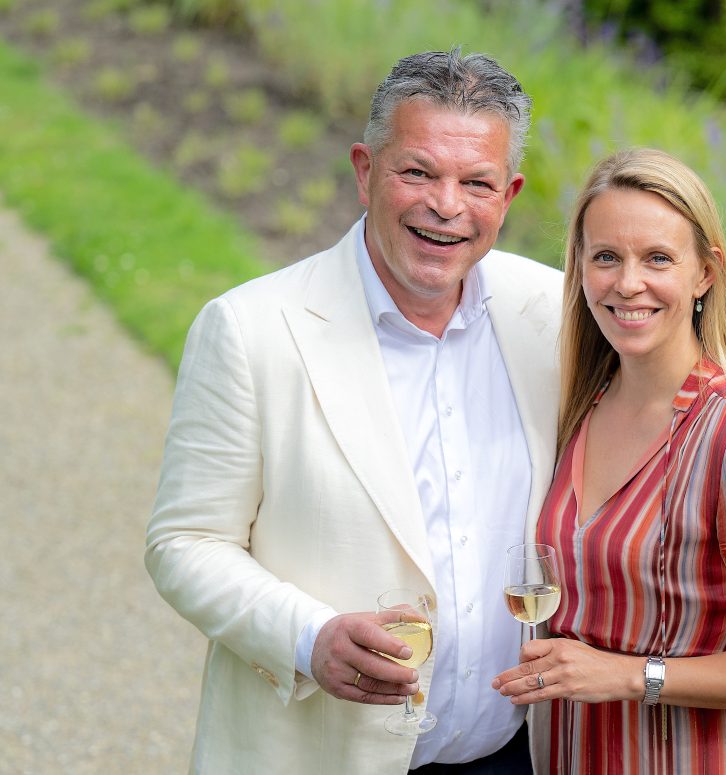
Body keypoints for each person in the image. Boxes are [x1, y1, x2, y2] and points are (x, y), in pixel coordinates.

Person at [146, 49, 563, 774]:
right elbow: (185, 541)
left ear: (510, 193)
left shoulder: (554, 314)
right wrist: (309, 636)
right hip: (322, 755)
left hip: (515, 753)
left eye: (477, 182)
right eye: (418, 172)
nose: (446, 205)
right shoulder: (251, 328)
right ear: (365, 170)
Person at [492, 148, 726, 774]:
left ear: (705, 274)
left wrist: (631, 676)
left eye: (657, 258)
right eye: (605, 256)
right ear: (579, 266)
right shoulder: (579, 404)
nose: (627, 282)